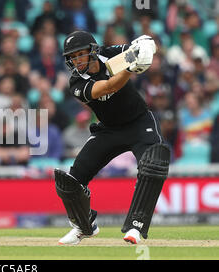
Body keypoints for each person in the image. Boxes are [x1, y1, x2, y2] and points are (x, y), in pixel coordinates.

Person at [54, 31, 170, 245]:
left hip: (139, 122)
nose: (77, 60)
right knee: (71, 181)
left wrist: (146, 45)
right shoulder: (77, 82)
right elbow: (109, 86)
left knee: (153, 164)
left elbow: (143, 50)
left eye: (81, 54)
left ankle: (136, 226)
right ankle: (84, 226)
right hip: (109, 129)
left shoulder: (110, 55)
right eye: (73, 57)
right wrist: (131, 69)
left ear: (93, 51)